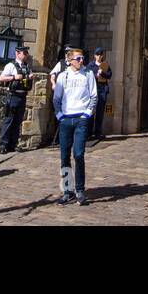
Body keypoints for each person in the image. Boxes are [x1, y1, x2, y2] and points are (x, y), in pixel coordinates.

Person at [53, 47, 97, 205]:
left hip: (80, 120)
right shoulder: (63, 76)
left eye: (82, 58)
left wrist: (86, 115)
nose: (81, 61)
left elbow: (93, 96)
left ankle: (80, 190)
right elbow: (56, 98)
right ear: (70, 60)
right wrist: (60, 116)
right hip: (66, 120)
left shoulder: (88, 74)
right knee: (64, 157)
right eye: (78, 58)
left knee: (79, 154)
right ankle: (67, 191)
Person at [0, 45, 33, 154]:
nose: (26, 55)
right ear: (18, 53)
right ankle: (4, 144)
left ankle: (13, 144)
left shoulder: (27, 66)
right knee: (9, 120)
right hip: (13, 96)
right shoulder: (10, 65)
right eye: (24, 53)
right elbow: (1, 78)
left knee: (18, 121)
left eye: (26, 53)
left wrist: (30, 76)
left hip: (22, 96)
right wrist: (14, 77)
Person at [92, 48, 112, 140]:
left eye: (100, 55)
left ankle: (97, 132)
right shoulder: (91, 65)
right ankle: (89, 132)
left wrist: (102, 73)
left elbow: (109, 75)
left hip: (102, 89)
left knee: (100, 112)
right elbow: (86, 75)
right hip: (93, 90)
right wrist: (96, 74)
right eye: (97, 55)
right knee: (91, 111)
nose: (99, 56)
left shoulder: (105, 65)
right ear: (95, 55)